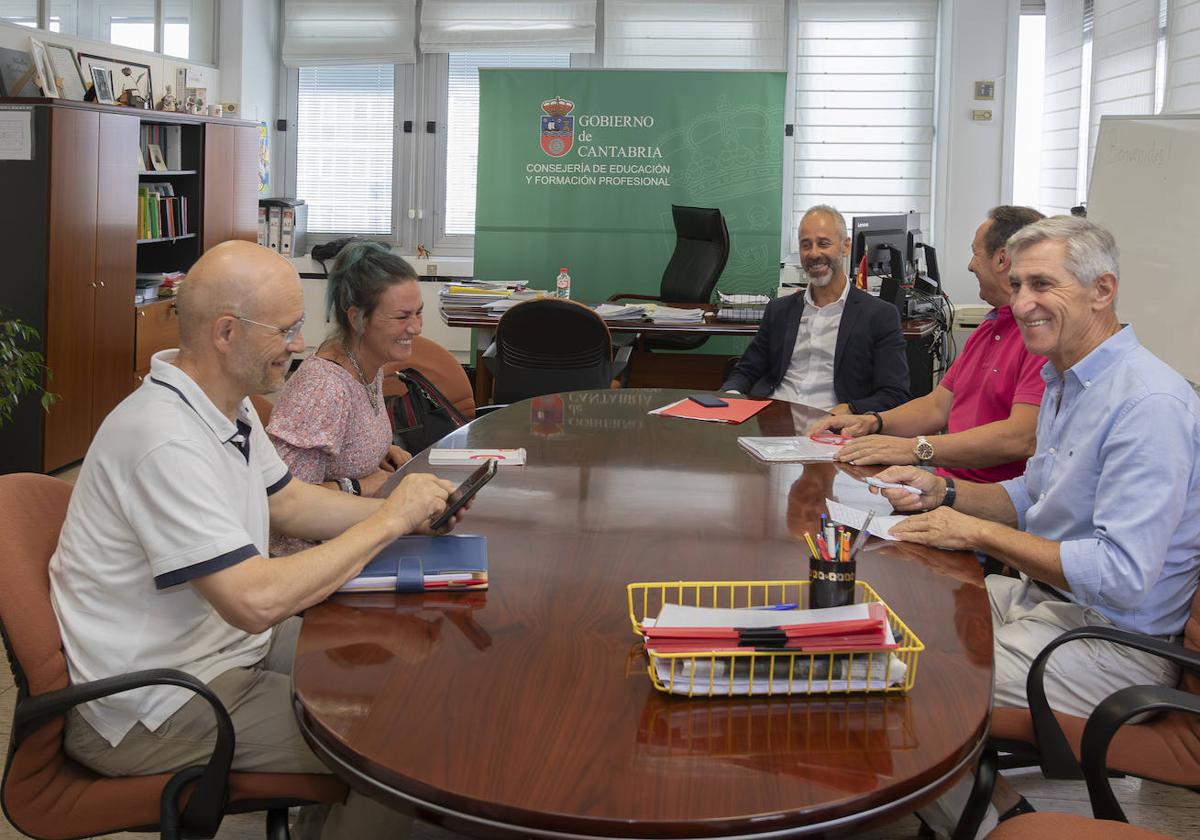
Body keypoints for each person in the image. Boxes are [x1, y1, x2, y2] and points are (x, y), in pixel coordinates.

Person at [49, 241, 463, 839]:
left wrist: (400, 508)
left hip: (220, 650)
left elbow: (289, 502)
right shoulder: (162, 438)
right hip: (156, 702)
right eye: (287, 329)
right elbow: (254, 602)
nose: (300, 344)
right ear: (225, 333)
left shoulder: (226, 408)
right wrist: (386, 521)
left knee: (403, 665)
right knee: (393, 749)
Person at [872, 216, 1200, 837]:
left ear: (1102, 290)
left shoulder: (1149, 405)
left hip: (1111, 640)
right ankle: (969, 807)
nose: (1022, 303)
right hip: (1040, 599)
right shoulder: (1063, 378)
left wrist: (975, 532)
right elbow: (1034, 494)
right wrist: (944, 489)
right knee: (879, 622)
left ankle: (994, 824)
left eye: (1042, 284)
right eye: (1016, 283)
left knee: (901, 686)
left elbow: (1122, 576)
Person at [810, 206, 1046, 484]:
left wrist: (915, 449)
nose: (970, 265)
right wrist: (873, 422)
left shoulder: (1038, 340)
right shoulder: (988, 327)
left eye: (975, 253)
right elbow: (937, 407)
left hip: (984, 495)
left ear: (1002, 259)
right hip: (942, 478)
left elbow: (1019, 439)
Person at [267, 241, 421, 556]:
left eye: (419, 313)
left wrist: (381, 449)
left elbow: (340, 445)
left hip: (355, 541)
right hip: (309, 563)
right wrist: (359, 484)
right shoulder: (323, 389)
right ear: (357, 318)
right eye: (402, 317)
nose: (416, 327)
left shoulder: (367, 364)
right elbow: (282, 504)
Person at [721, 204, 909, 414]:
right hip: (773, 421)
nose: (814, 253)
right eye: (806, 245)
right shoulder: (779, 310)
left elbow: (894, 394)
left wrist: (851, 409)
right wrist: (730, 399)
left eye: (823, 243)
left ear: (846, 246)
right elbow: (746, 371)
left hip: (832, 428)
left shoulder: (880, 315)